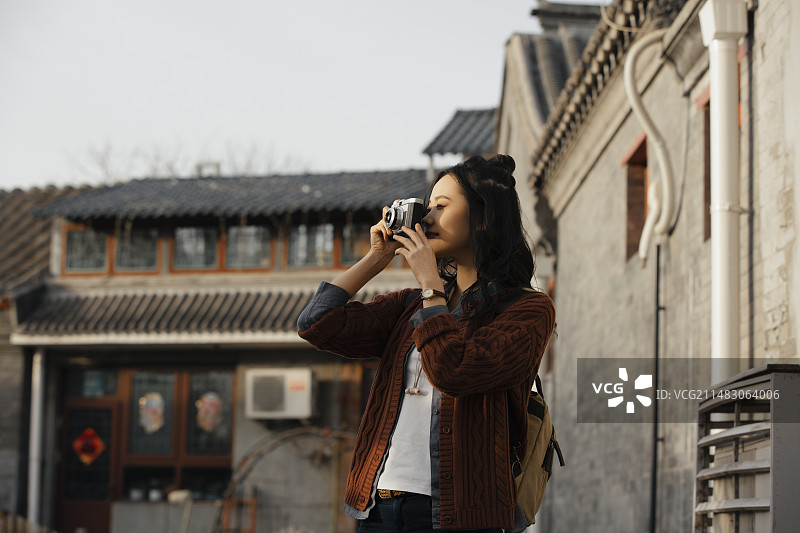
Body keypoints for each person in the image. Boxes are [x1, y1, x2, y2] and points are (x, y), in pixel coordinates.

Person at [297, 154, 556, 532]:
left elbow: (455, 370)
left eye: (441, 206)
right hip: (378, 504)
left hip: (461, 513)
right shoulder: (408, 305)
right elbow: (317, 324)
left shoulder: (527, 309)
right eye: (428, 205)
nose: (427, 217)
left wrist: (432, 288)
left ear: (483, 218)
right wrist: (375, 258)